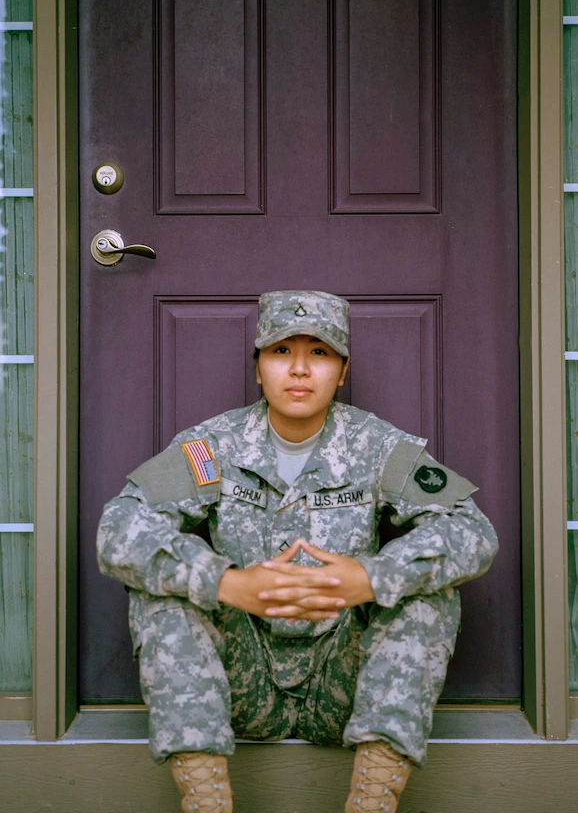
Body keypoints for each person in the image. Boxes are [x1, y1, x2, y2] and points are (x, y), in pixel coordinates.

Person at [97, 290, 498, 813]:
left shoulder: (378, 446)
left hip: (347, 683)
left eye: (320, 353)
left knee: (428, 597)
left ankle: (372, 802)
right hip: (241, 680)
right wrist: (228, 583)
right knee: (162, 596)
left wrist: (371, 577)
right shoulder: (213, 446)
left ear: (343, 369)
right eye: (282, 352)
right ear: (258, 368)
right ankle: (206, 803)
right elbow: (120, 526)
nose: (301, 370)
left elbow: (472, 530)